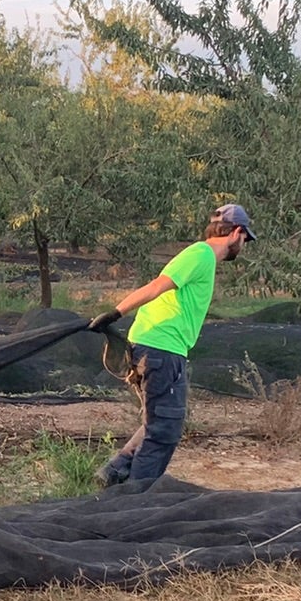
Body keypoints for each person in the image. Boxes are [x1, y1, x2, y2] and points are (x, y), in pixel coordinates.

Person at [88, 203, 255, 486]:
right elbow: (157, 286)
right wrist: (116, 313)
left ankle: (114, 473)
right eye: (245, 239)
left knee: (156, 422)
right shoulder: (201, 254)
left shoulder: (202, 258)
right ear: (236, 232)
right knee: (165, 429)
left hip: (155, 347)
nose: (244, 245)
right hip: (161, 349)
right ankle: (134, 499)